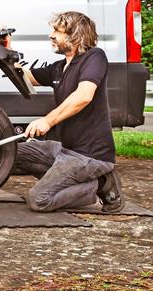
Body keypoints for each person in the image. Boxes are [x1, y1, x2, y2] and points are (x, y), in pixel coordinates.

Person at [14, 11, 124, 213]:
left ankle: (99, 183)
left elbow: (84, 96)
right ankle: (67, 180)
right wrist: (6, 52)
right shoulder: (59, 67)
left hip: (89, 154)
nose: (51, 35)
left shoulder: (94, 57)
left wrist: (48, 121)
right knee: (10, 154)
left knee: (39, 200)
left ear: (76, 35)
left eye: (57, 30)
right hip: (64, 148)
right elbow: (26, 77)